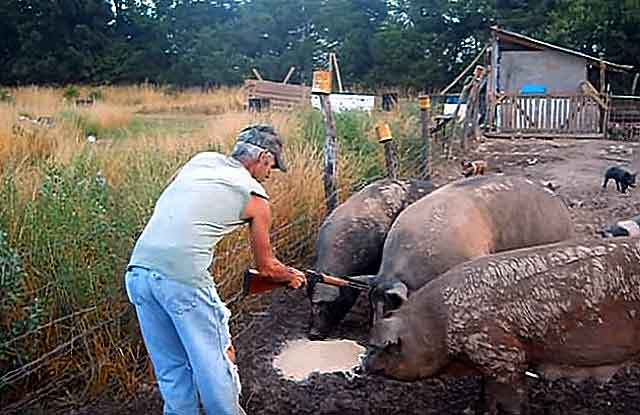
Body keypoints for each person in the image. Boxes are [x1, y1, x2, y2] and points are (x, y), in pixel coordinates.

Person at [123, 124, 306, 415]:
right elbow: (267, 267)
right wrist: (291, 276)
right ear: (264, 159)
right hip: (183, 279)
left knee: (171, 368)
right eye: (272, 167)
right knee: (215, 365)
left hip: (139, 272)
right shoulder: (256, 197)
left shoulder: (202, 159)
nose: (270, 175)